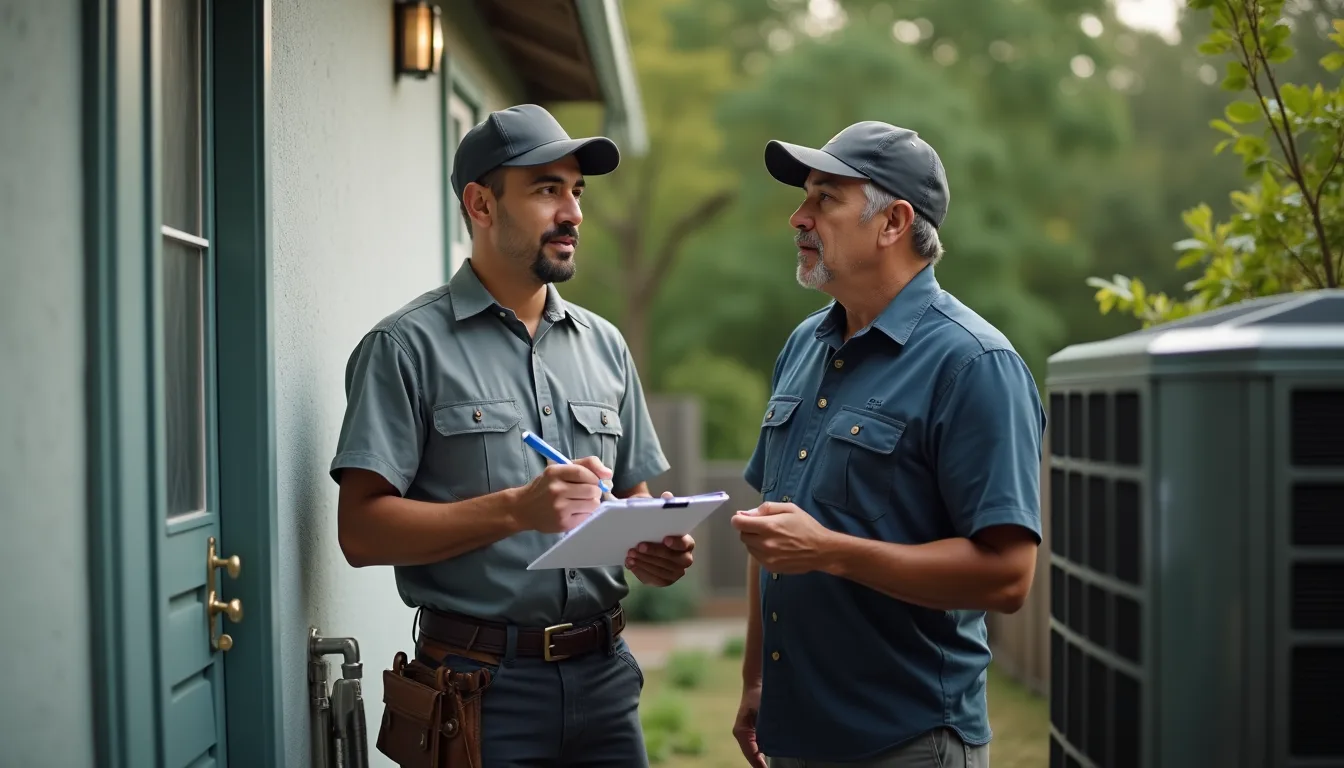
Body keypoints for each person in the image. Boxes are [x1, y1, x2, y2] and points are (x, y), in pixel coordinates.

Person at [328, 103, 694, 767]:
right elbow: (360, 533)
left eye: (576, 191)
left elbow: (633, 500)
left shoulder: (606, 347)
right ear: (481, 204)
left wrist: (653, 547)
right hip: (477, 688)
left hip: (607, 681)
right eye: (547, 189)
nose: (574, 213)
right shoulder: (403, 348)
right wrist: (516, 510)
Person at [729, 121, 1046, 768]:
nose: (798, 217)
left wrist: (831, 552)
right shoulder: (803, 347)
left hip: (908, 743)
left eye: (824, 199)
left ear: (894, 222)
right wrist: (757, 677)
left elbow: (1009, 576)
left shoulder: (975, 364)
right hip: (796, 734)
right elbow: (773, 534)